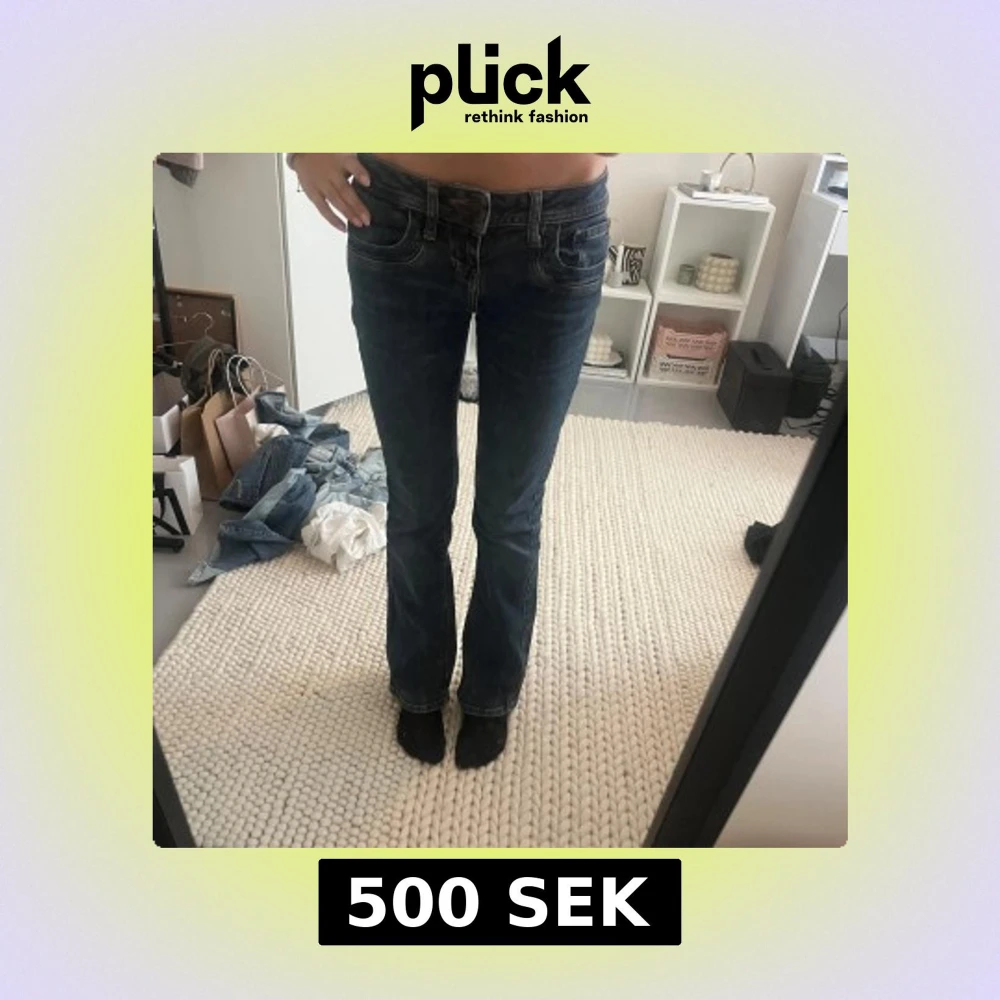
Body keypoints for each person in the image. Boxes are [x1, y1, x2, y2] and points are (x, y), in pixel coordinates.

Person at [289, 153, 612, 768]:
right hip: (400, 215)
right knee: (417, 500)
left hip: (558, 227)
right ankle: (418, 684)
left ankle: (491, 691)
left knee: (511, 510)